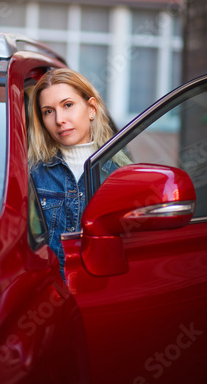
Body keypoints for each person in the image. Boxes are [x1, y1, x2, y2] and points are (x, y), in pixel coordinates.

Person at [28, 68, 126, 275]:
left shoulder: (119, 174)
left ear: (91, 108)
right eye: (48, 111)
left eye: (68, 105)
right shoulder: (32, 173)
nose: (59, 119)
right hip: (52, 295)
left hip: (104, 295)